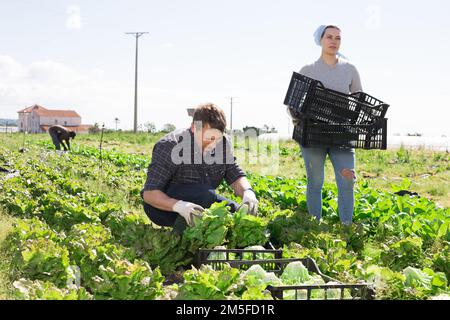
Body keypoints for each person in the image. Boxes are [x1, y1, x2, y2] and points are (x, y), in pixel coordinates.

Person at [141, 103, 259, 234]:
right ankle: (183, 238)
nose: (213, 143)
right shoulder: (170, 145)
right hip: (164, 208)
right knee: (205, 194)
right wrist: (180, 206)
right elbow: (150, 194)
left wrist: (248, 192)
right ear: (194, 128)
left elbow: (233, 172)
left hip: (204, 199)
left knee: (238, 214)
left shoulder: (223, 143)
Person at [293, 25, 362, 225]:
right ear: (320, 40)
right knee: (315, 182)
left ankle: (346, 227)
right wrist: (297, 116)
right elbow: (294, 102)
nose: (334, 41)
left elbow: (359, 99)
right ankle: (314, 225)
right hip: (314, 134)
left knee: (347, 179)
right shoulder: (308, 70)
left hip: (341, 133)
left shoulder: (350, 69)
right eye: (329, 37)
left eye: (338, 38)